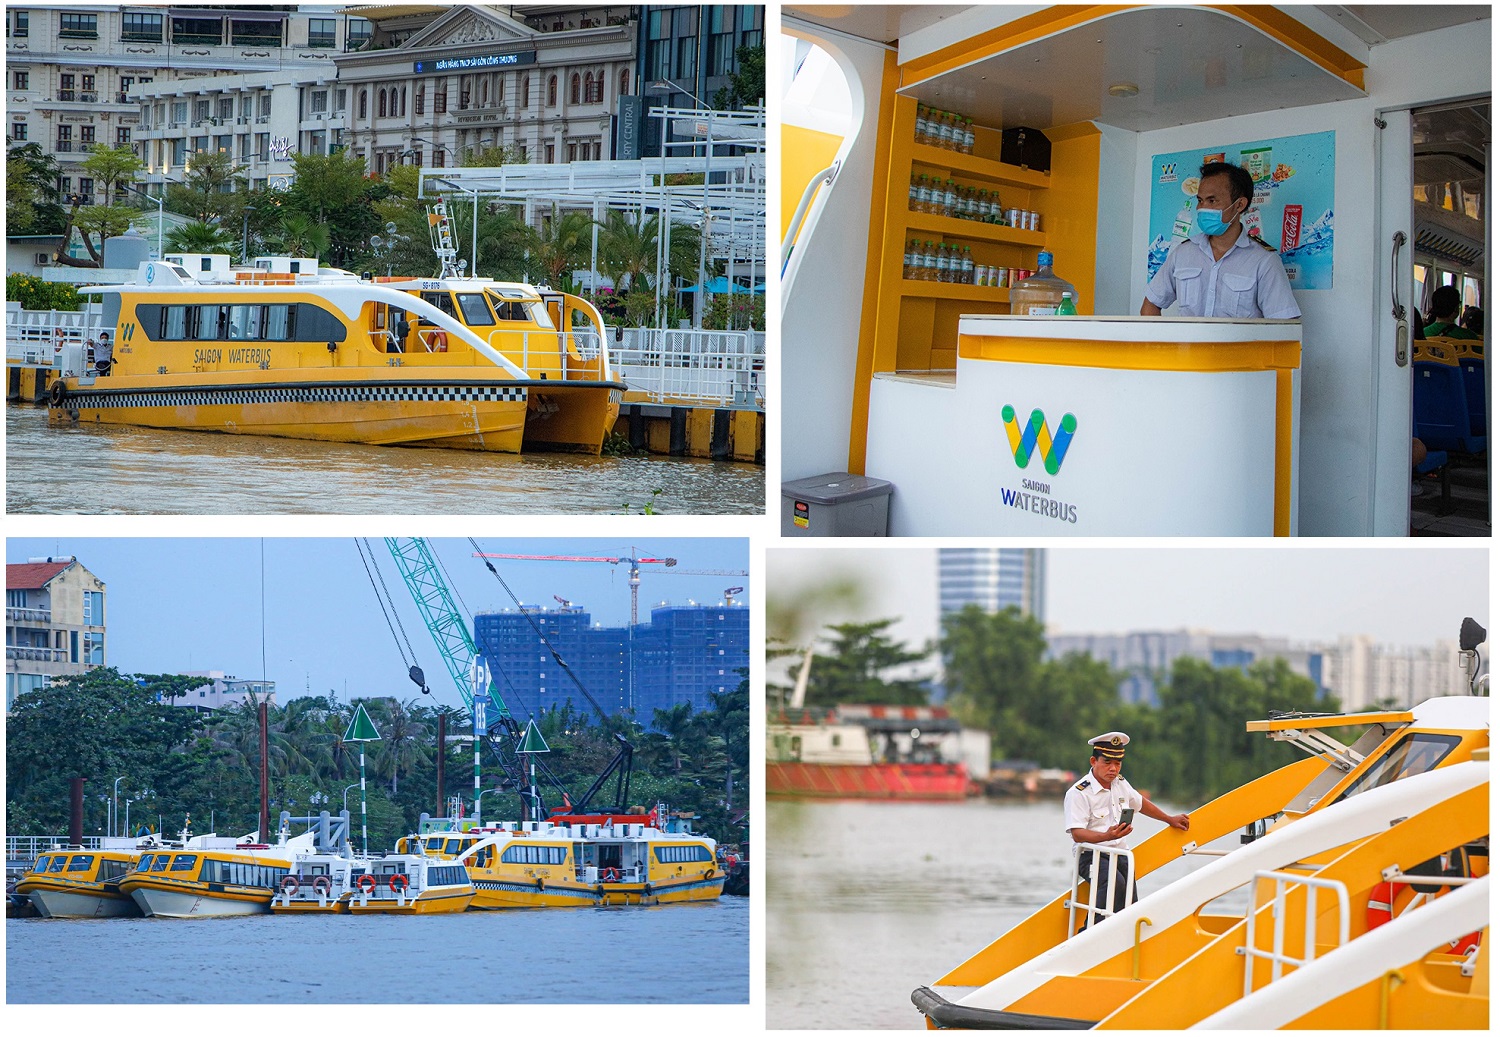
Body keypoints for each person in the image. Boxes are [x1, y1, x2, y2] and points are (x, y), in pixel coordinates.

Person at [1141, 162, 1300, 319]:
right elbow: (1150, 305)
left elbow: (1285, 324)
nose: (1202, 208)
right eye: (1200, 200)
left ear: (1239, 205)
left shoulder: (1264, 261)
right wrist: (1162, 344)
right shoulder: (1183, 253)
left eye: (1212, 201)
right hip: (1189, 345)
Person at [1064, 731, 1190, 926]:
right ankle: (1089, 933)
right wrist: (1106, 835)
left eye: (1118, 763)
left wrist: (1169, 819)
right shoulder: (1079, 792)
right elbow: (1077, 834)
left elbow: (1140, 803)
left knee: (1129, 901)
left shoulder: (1121, 784)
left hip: (1120, 852)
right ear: (1093, 761)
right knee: (1115, 883)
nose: (1113, 769)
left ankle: (1122, 940)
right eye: (1107, 762)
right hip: (1091, 854)